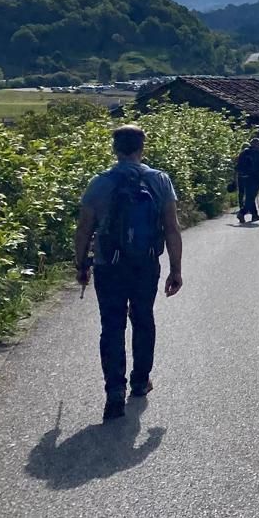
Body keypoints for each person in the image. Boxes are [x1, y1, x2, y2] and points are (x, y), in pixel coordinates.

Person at [73, 124, 183, 422]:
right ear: (141, 148)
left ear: (115, 149)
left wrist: (82, 264)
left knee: (112, 326)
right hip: (146, 264)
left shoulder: (100, 183)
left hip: (109, 265)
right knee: (143, 318)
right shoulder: (160, 180)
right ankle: (140, 380)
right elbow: (171, 228)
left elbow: (84, 228)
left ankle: (114, 391)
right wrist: (176, 270)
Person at [235, 138, 259, 224]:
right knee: (250, 197)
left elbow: (238, 166)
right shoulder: (257, 153)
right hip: (254, 178)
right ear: (255, 144)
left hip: (244, 178)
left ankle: (255, 215)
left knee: (250, 196)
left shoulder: (243, 153)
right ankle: (242, 213)